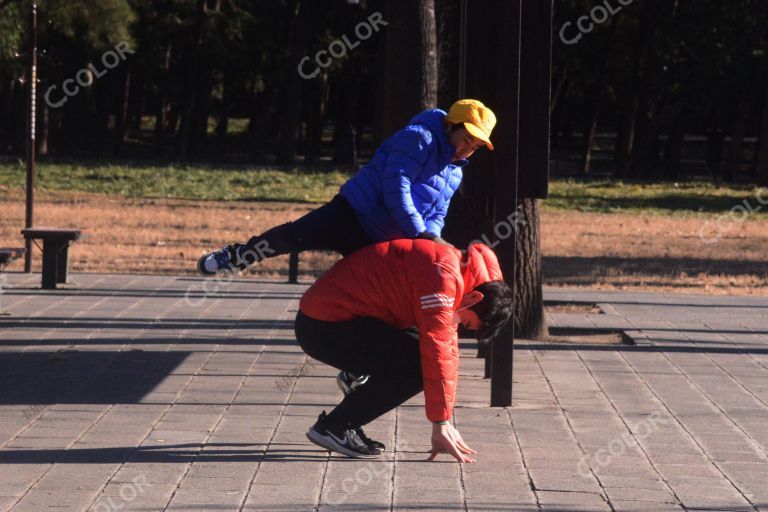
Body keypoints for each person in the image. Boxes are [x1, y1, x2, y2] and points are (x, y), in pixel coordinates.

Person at [197, 99, 497, 275]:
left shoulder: (455, 171)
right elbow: (397, 187)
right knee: (292, 236)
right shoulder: (419, 138)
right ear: (450, 126)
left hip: (381, 239)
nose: (466, 149)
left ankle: (359, 363)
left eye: (475, 146)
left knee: (376, 298)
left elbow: (437, 213)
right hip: (352, 212)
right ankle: (235, 256)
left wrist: (434, 236)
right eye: (465, 139)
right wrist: (422, 233)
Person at [295, 239, 513, 462]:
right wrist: (440, 423)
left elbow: (448, 350)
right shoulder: (443, 279)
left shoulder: (459, 271)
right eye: (467, 324)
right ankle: (335, 426)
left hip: (335, 318)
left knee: (417, 353)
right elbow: (437, 349)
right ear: (474, 298)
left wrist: (445, 419)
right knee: (417, 367)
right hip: (322, 327)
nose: (460, 327)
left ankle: (353, 383)